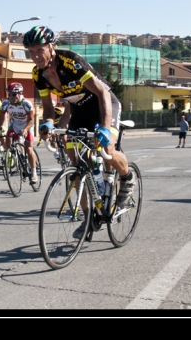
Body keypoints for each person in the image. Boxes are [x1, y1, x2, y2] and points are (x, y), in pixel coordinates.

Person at [22, 25, 132, 240]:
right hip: (80, 111)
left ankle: (127, 178)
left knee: (107, 148)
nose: (35, 55)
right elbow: (47, 106)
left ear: (51, 47)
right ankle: (90, 217)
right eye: (31, 51)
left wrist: (105, 127)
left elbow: (102, 93)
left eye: (39, 50)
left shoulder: (70, 62)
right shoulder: (39, 74)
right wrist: (48, 124)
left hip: (104, 104)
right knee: (75, 168)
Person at [0, 82, 39, 184]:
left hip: (27, 125)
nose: (11, 97)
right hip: (15, 125)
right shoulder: (6, 103)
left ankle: (34, 172)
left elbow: (31, 120)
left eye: (14, 94)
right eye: (9, 94)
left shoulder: (26, 103)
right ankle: (19, 159)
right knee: (8, 144)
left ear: (20, 93)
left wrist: (26, 129)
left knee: (29, 148)